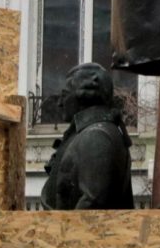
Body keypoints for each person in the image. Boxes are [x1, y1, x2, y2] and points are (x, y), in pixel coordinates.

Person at [38, 63, 135, 211]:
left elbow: (92, 204)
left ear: (84, 95)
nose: (59, 103)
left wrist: (64, 233)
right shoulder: (91, 132)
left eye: (64, 95)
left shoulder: (96, 137)